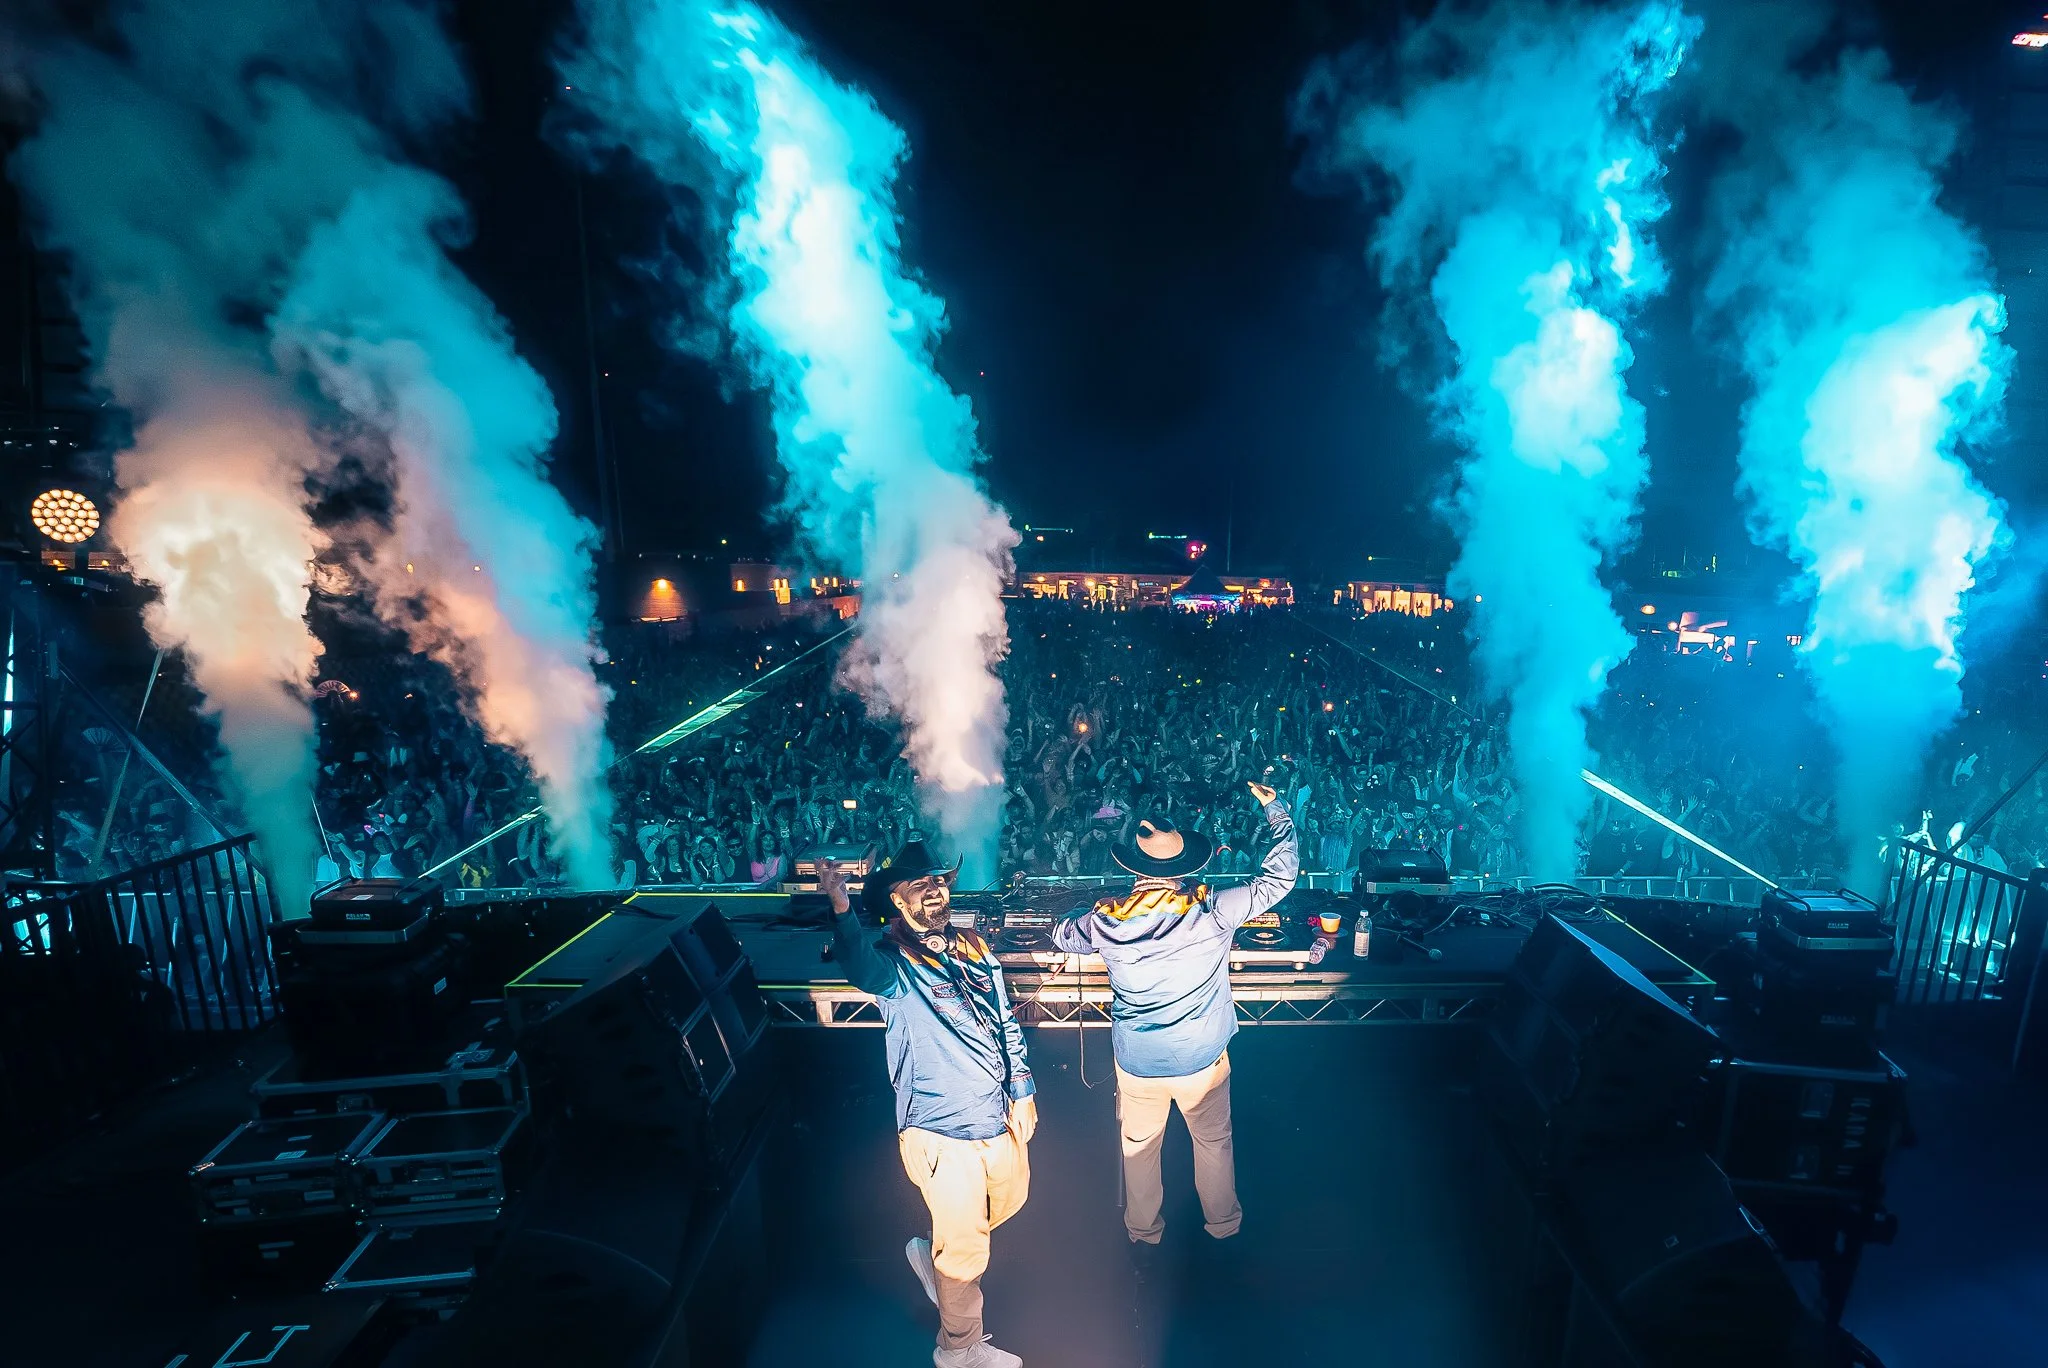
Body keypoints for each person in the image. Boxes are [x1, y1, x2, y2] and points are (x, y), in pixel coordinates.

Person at [1051, 780, 1297, 1258]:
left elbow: (1064, 934)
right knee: (1214, 1144)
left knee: (1140, 1150)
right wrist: (1276, 811)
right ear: (1185, 869)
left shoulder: (1107, 919)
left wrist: (1084, 911)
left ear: (1135, 869)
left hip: (1140, 1063)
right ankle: (1223, 1227)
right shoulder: (1212, 910)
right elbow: (1280, 879)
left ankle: (1144, 1236)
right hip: (1203, 1060)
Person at [822, 843, 1037, 1368]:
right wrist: (842, 908)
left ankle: (931, 1258)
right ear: (897, 900)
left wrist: (1023, 1089)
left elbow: (1006, 1019)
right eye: (920, 884)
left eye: (938, 880)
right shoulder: (894, 964)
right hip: (939, 1128)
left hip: (995, 1113)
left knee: (1009, 1202)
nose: (935, 888)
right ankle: (959, 1349)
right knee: (966, 1250)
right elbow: (859, 968)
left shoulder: (973, 948)